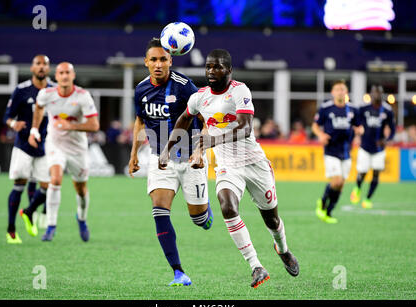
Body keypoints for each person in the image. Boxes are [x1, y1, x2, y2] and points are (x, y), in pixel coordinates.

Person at [159, 49, 299, 289]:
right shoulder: (200, 97)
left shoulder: (239, 90)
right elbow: (183, 119)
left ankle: (282, 249)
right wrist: (167, 148)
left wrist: (212, 141)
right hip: (227, 166)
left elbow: (245, 127)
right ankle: (256, 266)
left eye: (218, 67)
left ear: (229, 70)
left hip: (254, 163)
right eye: (208, 67)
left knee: (272, 219)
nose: (212, 71)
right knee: (226, 205)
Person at [128, 38, 214, 287]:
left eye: (163, 59)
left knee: (200, 221)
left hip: (190, 158)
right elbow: (140, 121)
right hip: (159, 158)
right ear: (146, 62)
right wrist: (134, 154)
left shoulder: (185, 86)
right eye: (153, 59)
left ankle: (205, 213)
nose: (158, 64)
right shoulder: (141, 89)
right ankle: (178, 272)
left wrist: (200, 150)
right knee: (159, 209)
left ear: (171, 61)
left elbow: (207, 119)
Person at [29, 62, 99, 242]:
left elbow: (94, 125)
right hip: (55, 145)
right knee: (56, 179)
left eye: (68, 72)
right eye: (61, 73)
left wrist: (71, 125)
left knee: (81, 189)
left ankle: (82, 219)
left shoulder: (83, 96)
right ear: (56, 76)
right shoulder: (46, 94)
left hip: (77, 149)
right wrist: (34, 130)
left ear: (73, 75)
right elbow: (38, 108)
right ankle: (51, 226)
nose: (65, 76)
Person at [3, 54, 54, 244]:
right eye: (38, 64)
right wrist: (13, 124)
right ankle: (11, 229)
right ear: (32, 68)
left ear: (48, 69)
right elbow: (7, 116)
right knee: (19, 185)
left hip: (45, 146)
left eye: (45, 64)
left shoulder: (53, 90)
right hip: (23, 146)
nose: (41, 67)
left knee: (48, 186)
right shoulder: (22, 90)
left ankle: (29, 211)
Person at [312, 79, 363, 224]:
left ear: (346, 92)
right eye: (338, 89)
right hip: (331, 151)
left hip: (346, 151)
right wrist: (321, 135)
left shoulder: (352, 110)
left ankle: (328, 212)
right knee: (337, 180)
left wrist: (359, 132)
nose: (340, 91)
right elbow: (315, 125)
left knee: (340, 185)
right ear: (333, 92)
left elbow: (359, 127)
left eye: (343, 89)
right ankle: (322, 202)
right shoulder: (326, 108)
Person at [350, 84, 395, 208]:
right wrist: (357, 132)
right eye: (374, 92)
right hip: (365, 146)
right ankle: (357, 188)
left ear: (382, 94)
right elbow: (355, 123)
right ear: (370, 94)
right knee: (362, 172)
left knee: (376, 173)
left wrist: (387, 139)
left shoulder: (387, 110)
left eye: (379, 92)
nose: (377, 95)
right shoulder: (363, 108)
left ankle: (368, 199)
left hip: (379, 149)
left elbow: (392, 128)